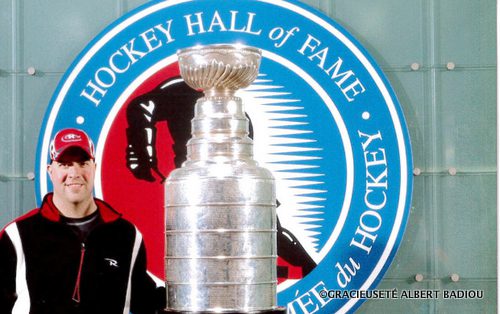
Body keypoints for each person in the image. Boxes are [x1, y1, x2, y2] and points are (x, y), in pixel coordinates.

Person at [0, 128, 165, 314]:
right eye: (64, 164)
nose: (74, 172)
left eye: (83, 163)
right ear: (50, 171)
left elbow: (146, 301)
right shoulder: (18, 235)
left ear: (94, 167)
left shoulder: (126, 235)